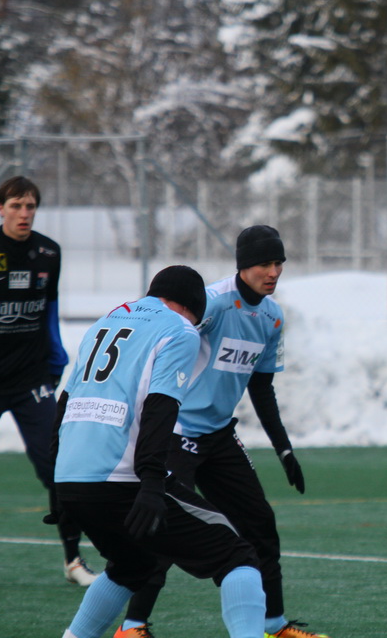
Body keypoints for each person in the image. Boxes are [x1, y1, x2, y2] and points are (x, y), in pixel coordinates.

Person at [117, 226, 326, 638]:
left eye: (278, 263)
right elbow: (160, 343)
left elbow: (261, 388)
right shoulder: (211, 302)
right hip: (177, 434)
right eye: (264, 264)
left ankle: (273, 625)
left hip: (218, 437)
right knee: (165, 526)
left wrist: (284, 449)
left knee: (260, 523)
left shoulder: (272, 317)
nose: (273, 272)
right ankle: (132, 626)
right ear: (243, 265)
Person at [52, 265, 267, 638]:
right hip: (122, 478)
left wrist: (58, 485)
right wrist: (152, 481)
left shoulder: (104, 322)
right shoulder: (180, 329)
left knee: (132, 565)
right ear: (190, 307)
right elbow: (160, 407)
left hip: (71, 476)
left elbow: (65, 403)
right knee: (238, 556)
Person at [0, 175, 97, 585]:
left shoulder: (48, 253)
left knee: (60, 468)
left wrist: (56, 360)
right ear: (0, 208)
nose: (24, 214)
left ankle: (73, 562)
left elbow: (49, 310)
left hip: (31, 381)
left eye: (30, 206)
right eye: (16, 206)